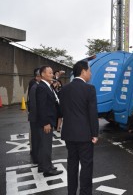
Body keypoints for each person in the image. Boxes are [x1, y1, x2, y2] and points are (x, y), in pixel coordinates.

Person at [60, 61, 99, 195]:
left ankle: (71, 192)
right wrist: (95, 134)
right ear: (83, 71)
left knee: (72, 165)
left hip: (69, 134)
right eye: (89, 70)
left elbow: (62, 110)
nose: (90, 73)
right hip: (84, 135)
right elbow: (92, 113)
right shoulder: (89, 89)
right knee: (86, 166)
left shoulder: (64, 89)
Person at [36, 65, 63, 177]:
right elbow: (41, 107)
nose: (52, 75)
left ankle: (43, 165)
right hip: (46, 122)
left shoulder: (48, 86)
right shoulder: (42, 87)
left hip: (49, 120)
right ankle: (47, 170)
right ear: (42, 74)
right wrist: (46, 123)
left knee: (44, 145)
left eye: (52, 73)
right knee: (46, 146)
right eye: (50, 73)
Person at [27, 68, 41, 164]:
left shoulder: (36, 85)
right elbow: (34, 104)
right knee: (35, 138)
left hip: (34, 116)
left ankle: (36, 156)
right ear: (38, 76)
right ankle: (36, 158)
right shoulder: (35, 86)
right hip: (35, 117)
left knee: (36, 138)